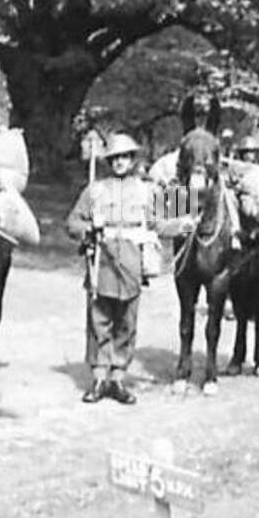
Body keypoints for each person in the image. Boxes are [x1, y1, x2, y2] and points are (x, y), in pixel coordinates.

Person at [66, 133, 158, 405]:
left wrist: (190, 220)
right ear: (109, 161)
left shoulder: (145, 189)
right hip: (101, 263)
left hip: (131, 263)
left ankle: (118, 378)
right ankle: (98, 377)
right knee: (99, 322)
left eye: (125, 157)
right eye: (115, 158)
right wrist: (89, 228)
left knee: (126, 323)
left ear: (132, 159)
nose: (120, 162)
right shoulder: (95, 190)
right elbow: (72, 223)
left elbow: (166, 219)